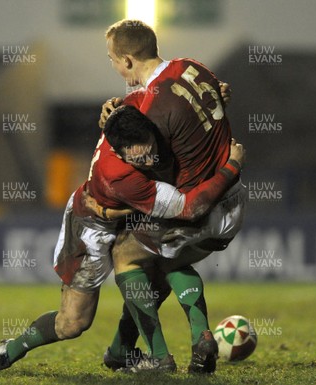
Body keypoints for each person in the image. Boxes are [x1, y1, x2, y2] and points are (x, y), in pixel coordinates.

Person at [0, 106, 245, 373]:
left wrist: (212, 94)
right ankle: (9, 351)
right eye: (138, 159)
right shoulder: (121, 176)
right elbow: (186, 207)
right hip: (92, 227)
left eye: (150, 150)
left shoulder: (133, 123)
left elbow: (144, 93)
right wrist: (231, 167)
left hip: (128, 214)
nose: (148, 160)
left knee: (161, 264)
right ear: (120, 154)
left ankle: (147, 354)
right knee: (73, 322)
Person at [95, 19, 247, 373]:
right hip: (233, 201)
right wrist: (118, 107)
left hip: (199, 206)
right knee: (169, 261)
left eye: (112, 59)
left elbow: (147, 147)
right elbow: (200, 101)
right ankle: (200, 339)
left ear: (129, 60)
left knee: (126, 256)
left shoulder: (151, 112)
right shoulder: (194, 68)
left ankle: (160, 357)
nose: (114, 67)